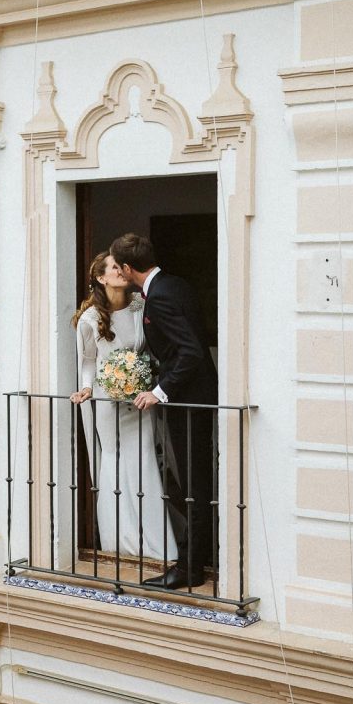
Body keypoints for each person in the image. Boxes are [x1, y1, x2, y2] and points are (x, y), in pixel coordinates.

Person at [110, 233, 218, 590]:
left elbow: (190, 352)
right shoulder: (176, 285)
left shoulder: (159, 298)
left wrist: (159, 391)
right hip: (194, 397)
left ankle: (190, 568)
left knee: (192, 486)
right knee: (194, 483)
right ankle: (194, 560)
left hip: (187, 402)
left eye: (119, 267)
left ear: (127, 268)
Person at [71, 252, 178, 564]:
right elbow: (89, 360)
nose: (121, 271)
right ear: (101, 278)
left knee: (144, 460)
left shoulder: (140, 306)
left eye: (121, 267)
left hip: (140, 397)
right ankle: (121, 542)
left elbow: (154, 346)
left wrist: (149, 374)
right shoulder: (90, 319)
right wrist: (88, 388)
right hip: (107, 397)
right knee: (114, 463)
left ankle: (157, 546)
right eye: (114, 268)